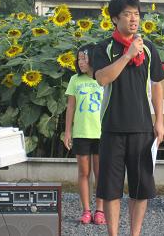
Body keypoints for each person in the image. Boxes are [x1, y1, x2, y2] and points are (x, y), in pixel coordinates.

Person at [93, 0, 164, 236]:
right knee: (111, 189)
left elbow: (157, 84)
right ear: (115, 18)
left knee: (140, 188)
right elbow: (102, 78)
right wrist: (127, 55)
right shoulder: (104, 48)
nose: (133, 19)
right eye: (127, 14)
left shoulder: (148, 48)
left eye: (136, 13)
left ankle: (135, 234)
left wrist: (160, 122)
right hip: (112, 128)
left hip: (143, 127)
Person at [64, 43, 107, 225]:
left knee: (100, 173)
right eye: (79, 58)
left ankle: (100, 211)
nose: (81, 62)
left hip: (102, 133)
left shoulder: (103, 78)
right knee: (83, 173)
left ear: (93, 59)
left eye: (84, 58)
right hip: (81, 133)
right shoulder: (75, 80)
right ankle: (86, 210)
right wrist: (68, 132)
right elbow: (71, 107)